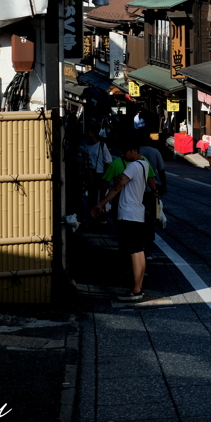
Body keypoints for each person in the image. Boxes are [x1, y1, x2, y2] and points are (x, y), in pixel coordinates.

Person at [91, 135, 158, 302]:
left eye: (124, 152)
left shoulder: (133, 166)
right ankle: (138, 287)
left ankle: (136, 291)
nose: (122, 155)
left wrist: (101, 204)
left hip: (128, 213)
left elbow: (116, 187)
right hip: (138, 212)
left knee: (134, 252)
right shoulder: (144, 163)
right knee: (139, 251)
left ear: (133, 151)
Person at [78, 122, 113, 224]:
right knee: (92, 197)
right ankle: (92, 217)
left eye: (89, 131)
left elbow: (107, 161)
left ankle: (101, 216)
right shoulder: (86, 146)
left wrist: (106, 177)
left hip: (100, 173)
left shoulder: (102, 145)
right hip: (90, 174)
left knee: (101, 197)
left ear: (93, 133)